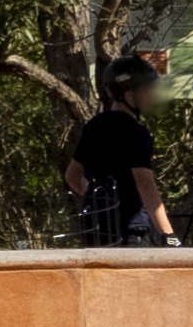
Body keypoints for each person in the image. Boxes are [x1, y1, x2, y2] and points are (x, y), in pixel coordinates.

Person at [69, 53, 175, 250]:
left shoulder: (94, 126)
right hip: (129, 231)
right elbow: (144, 183)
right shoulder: (135, 132)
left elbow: (73, 176)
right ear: (128, 94)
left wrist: (99, 197)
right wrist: (169, 235)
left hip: (94, 229)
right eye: (147, 89)